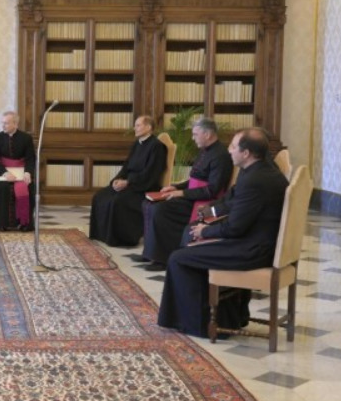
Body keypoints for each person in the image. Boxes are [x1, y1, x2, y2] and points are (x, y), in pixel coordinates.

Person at [158, 128, 289, 338]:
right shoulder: (260, 170)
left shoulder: (254, 180)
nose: (228, 150)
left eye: (233, 146)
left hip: (253, 249)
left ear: (246, 153)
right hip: (256, 240)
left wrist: (206, 231)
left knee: (178, 258)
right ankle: (227, 317)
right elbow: (232, 201)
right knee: (190, 237)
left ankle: (199, 324)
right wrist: (209, 214)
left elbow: (234, 228)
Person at [132, 117, 232, 271]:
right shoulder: (204, 151)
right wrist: (175, 187)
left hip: (203, 202)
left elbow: (212, 190)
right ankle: (149, 253)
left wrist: (182, 193)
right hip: (192, 195)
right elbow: (194, 179)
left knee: (161, 210)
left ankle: (163, 258)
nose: (192, 138)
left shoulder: (220, 155)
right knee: (148, 203)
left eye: (195, 134)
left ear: (207, 134)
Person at [89, 115, 167, 247]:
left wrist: (128, 182)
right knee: (99, 196)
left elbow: (151, 173)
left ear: (148, 127)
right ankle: (102, 235)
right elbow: (126, 166)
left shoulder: (157, 146)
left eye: (138, 125)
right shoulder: (137, 144)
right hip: (130, 182)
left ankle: (120, 239)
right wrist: (117, 180)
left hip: (144, 186)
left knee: (118, 201)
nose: (134, 128)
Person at [0, 111, 36, 232]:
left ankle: (24, 222)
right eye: (2, 123)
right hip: (2, 171)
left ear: (15, 124)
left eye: (6, 123)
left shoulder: (26, 138)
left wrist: (28, 172)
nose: (3, 125)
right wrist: (5, 173)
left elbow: (30, 159)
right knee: (3, 187)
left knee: (26, 186)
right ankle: (2, 223)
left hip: (21, 171)